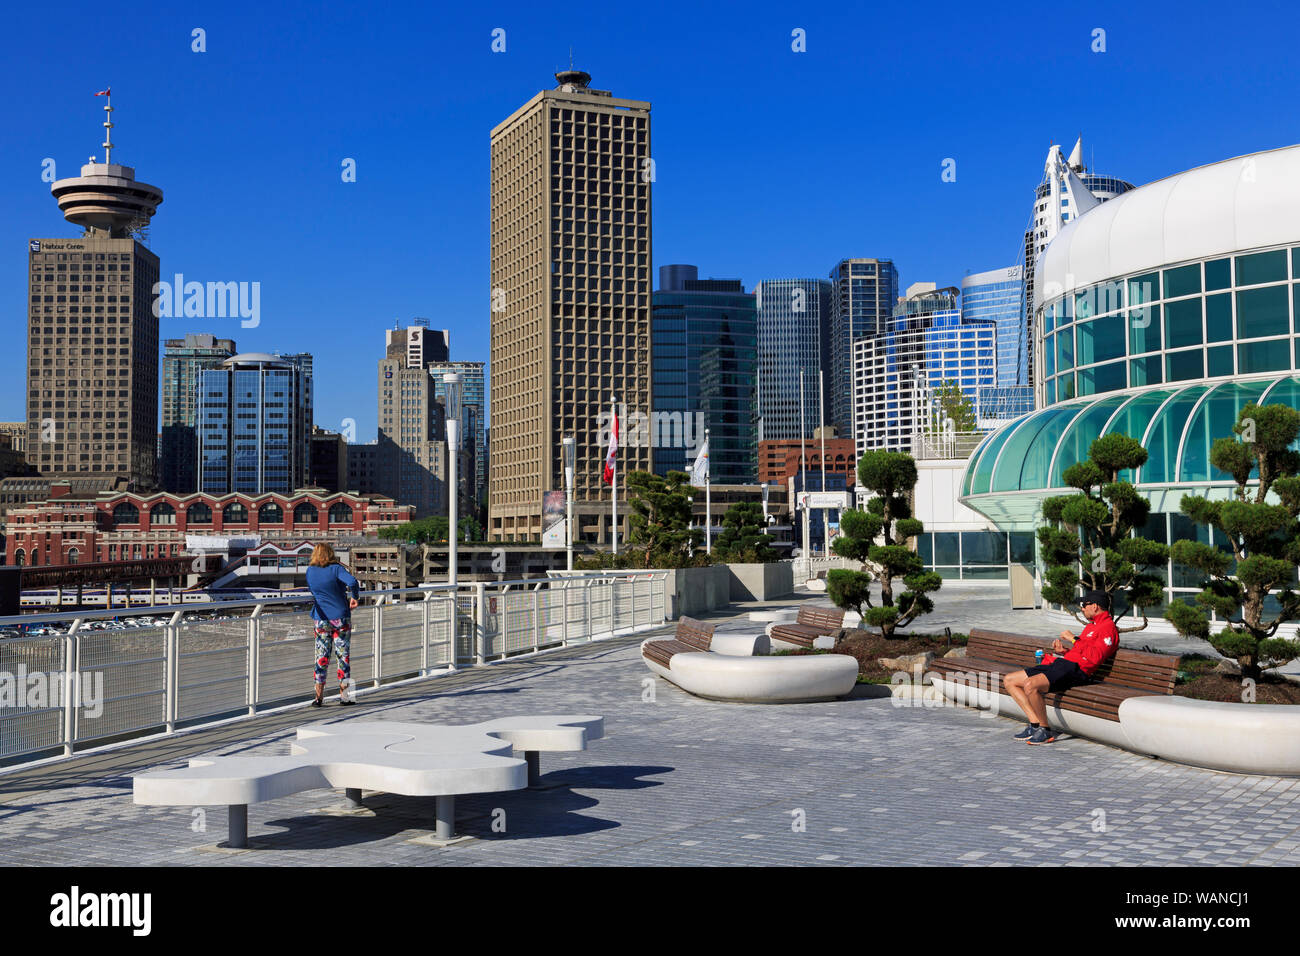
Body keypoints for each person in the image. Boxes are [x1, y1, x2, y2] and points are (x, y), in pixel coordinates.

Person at [1002, 589, 1120, 745]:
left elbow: (1095, 658)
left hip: (1077, 672)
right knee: (1009, 680)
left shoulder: (1108, 628)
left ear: (1095, 606)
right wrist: (1064, 651)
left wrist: (1073, 638)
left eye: (1085, 604)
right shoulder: (1092, 626)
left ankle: (1045, 730)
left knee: (1031, 685)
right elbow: (1082, 652)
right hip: (1064, 665)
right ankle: (1035, 724)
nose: (1082, 608)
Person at [305, 543, 361, 707]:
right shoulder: (336, 569)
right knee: (343, 656)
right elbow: (352, 582)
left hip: (321, 618)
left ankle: (318, 699)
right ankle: (345, 697)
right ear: (330, 554)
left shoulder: (310, 571)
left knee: (321, 657)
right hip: (340, 618)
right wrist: (354, 597)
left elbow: (313, 592)